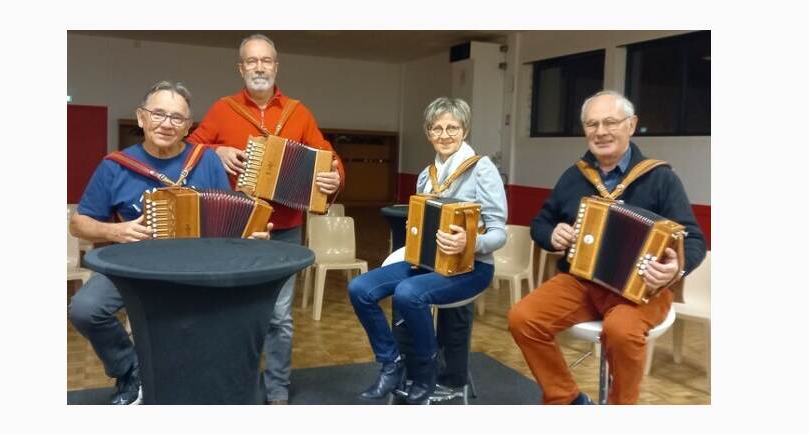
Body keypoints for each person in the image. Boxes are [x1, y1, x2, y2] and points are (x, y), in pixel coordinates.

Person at [68, 81, 270, 405]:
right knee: (85, 309)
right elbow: (79, 223)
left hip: (197, 267)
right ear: (141, 118)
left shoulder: (207, 161)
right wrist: (115, 232)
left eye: (177, 118)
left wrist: (251, 232)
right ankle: (130, 369)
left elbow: (230, 219)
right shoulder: (115, 166)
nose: (166, 123)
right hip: (132, 264)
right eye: (158, 114)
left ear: (188, 127)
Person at [507, 90, 707, 405]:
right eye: (592, 124)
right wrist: (552, 234)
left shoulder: (660, 179)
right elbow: (540, 224)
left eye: (610, 122)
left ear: (632, 125)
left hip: (642, 289)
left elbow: (694, 238)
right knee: (523, 318)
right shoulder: (574, 176)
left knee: (621, 331)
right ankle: (566, 398)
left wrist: (675, 269)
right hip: (581, 282)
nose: (601, 132)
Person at [186, 34, 344, 405]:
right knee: (230, 310)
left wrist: (335, 174)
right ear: (240, 68)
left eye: (266, 60)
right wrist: (216, 150)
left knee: (279, 316)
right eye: (252, 61)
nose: (259, 67)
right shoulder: (222, 110)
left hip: (285, 228)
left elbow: (328, 157)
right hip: (233, 227)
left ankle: (277, 388)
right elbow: (189, 149)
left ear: (276, 66)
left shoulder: (298, 112)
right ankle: (233, 379)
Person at [348, 97, 507, 404]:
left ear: (464, 130)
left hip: (472, 267)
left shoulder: (482, 169)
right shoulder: (426, 175)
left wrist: (469, 244)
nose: (445, 135)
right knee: (360, 287)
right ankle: (391, 363)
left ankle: (425, 372)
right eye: (437, 128)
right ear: (428, 133)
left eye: (452, 127)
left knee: (409, 292)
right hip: (427, 263)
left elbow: (499, 232)